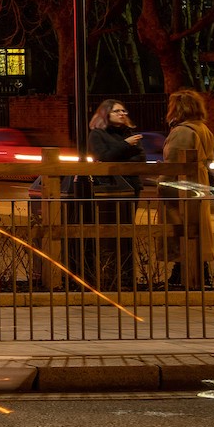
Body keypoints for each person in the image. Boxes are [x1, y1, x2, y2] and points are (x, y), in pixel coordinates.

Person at [75, 98, 145, 289]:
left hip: (132, 186)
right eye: (117, 111)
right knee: (110, 233)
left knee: (127, 231)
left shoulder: (128, 133)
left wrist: (120, 154)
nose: (122, 114)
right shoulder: (97, 135)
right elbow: (103, 157)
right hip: (109, 188)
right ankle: (109, 275)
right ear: (105, 114)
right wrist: (125, 146)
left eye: (123, 111)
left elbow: (140, 157)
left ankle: (127, 276)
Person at [158, 89, 214, 287]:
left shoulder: (183, 132)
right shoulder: (202, 128)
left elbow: (175, 164)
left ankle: (186, 274)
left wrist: (163, 185)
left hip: (181, 189)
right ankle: (193, 273)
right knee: (195, 230)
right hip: (198, 185)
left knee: (181, 231)